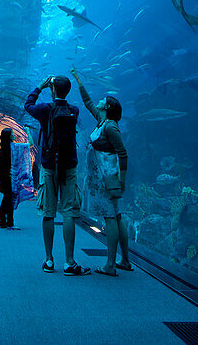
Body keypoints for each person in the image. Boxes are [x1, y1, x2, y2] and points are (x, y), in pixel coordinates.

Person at [24, 75, 91, 276]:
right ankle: (70, 262)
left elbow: (27, 105)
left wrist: (39, 86)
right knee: (69, 211)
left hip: (48, 165)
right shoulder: (74, 110)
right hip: (69, 166)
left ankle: (49, 259)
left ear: (52, 90)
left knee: (48, 213)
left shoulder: (45, 109)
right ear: (67, 91)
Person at [71, 69, 132, 276]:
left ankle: (110, 264)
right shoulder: (102, 121)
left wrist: (122, 181)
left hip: (107, 180)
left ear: (108, 107)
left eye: (103, 100)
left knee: (110, 218)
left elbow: (123, 154)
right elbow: (88, 102)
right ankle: (124, 260)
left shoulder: (111, 128)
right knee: (117, 215)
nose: (99, 100)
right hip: (103, 179)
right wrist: (79, 81)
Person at [0, 126, 16, 228]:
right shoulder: (12, 147)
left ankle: (5, 221)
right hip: (9, 176)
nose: (14, 135)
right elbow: (30, 145)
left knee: (6, 197)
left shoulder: (4, 147)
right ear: (8, 136)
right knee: (8, 198)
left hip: (5, 176)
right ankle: (8, 221)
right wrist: (27, 131)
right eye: (12, 133)